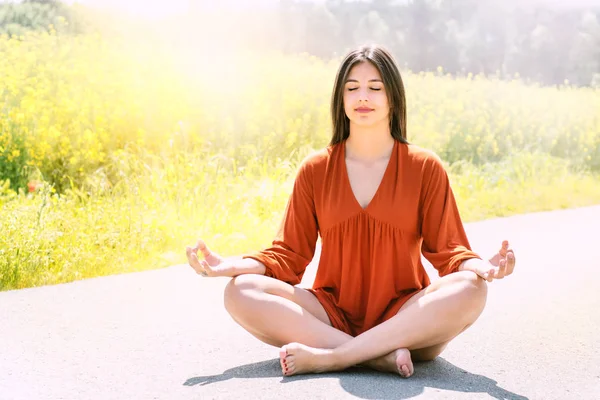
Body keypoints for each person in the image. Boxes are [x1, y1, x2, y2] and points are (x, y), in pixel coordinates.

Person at [185, 44, 516, 378]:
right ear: (340, 99)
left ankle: (333, 357)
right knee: (240, 291)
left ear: (393, 98)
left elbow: (449, 250)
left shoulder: (425, 167)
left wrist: (481, 266)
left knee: (472, 287)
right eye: (352, 88)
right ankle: (375, 357)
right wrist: (228, 265)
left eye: (375, 88)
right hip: (331, 312)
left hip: (405, 317)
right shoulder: (316, 169)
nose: (363, 97)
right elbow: (288, 254)